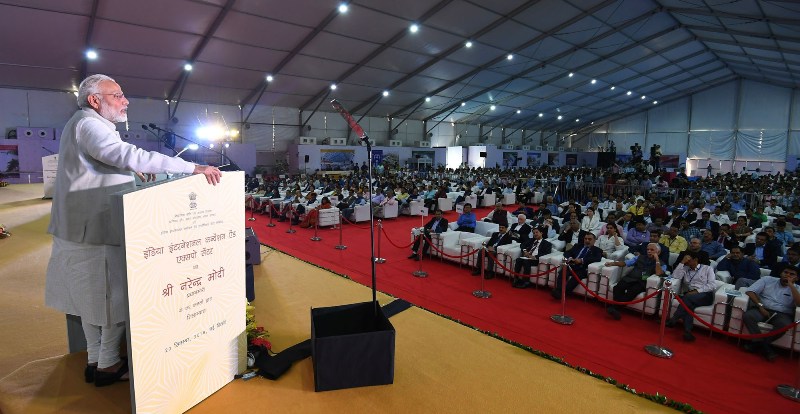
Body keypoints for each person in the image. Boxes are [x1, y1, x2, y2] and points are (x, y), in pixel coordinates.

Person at [45, 74, 221, 387]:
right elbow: (125, 154)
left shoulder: (83, 123)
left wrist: (130, 167)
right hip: (95, 230)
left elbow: (113, 157)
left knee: (90, 301)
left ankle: (96, 359)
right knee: (112, 299)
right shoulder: (89, 124)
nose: (126, 101)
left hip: (81, 229)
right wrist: (193, 167)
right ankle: (109, 365)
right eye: (118, 95)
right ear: (95, 100)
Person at [742, 267, 800, 362]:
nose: (787, 275)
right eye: (785, 272)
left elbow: (799, 304)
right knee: (748, 316)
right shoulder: (768, 280)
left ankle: (761, 344)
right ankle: (765, 347)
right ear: (781, 273)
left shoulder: (797, 288)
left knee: (784, 325)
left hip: (783, 314)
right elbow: (750, 291)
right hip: (762, 308)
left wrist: (791, 286)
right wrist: (760, 305)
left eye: (792, 274)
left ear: (796, 278)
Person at [604, 243, 667, 320]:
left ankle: (614, 308)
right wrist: (613, 263)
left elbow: (658, 273)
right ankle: (615, 308)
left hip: (642, 282)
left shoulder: (662, 264)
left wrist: (656, 259)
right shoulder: (639, 257)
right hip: (630, 277)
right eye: (648, 249)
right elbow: (625, 263)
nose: (649, 251)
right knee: (618, 287)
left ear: (658, 252)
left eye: (652, 250)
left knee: (631, 291)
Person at [665, 251, 717, 342]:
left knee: (687, 298)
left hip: (705, 295)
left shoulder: (707, 268)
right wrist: (681, 262)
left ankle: (673, 320)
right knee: (689, 306)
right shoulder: (685, 268)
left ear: (695, 260)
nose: (686, 262)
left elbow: (712, 285)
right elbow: (675, 276)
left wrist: (697, 291)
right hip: (689, 296)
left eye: (688, 260)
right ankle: (687, 332)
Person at [551, 233, 602, 299]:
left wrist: (582, 260)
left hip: (582, 268)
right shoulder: (578, 246)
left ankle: (563, 293)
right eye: (585, 239)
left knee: (575, 278)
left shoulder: (597, 250)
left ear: (594, 240)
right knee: (563, 272)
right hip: (571, 265)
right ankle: (559, 291)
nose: (587, 241)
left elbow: (597, 258)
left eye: (589, 239)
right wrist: (570, 258)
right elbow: (567, 252)